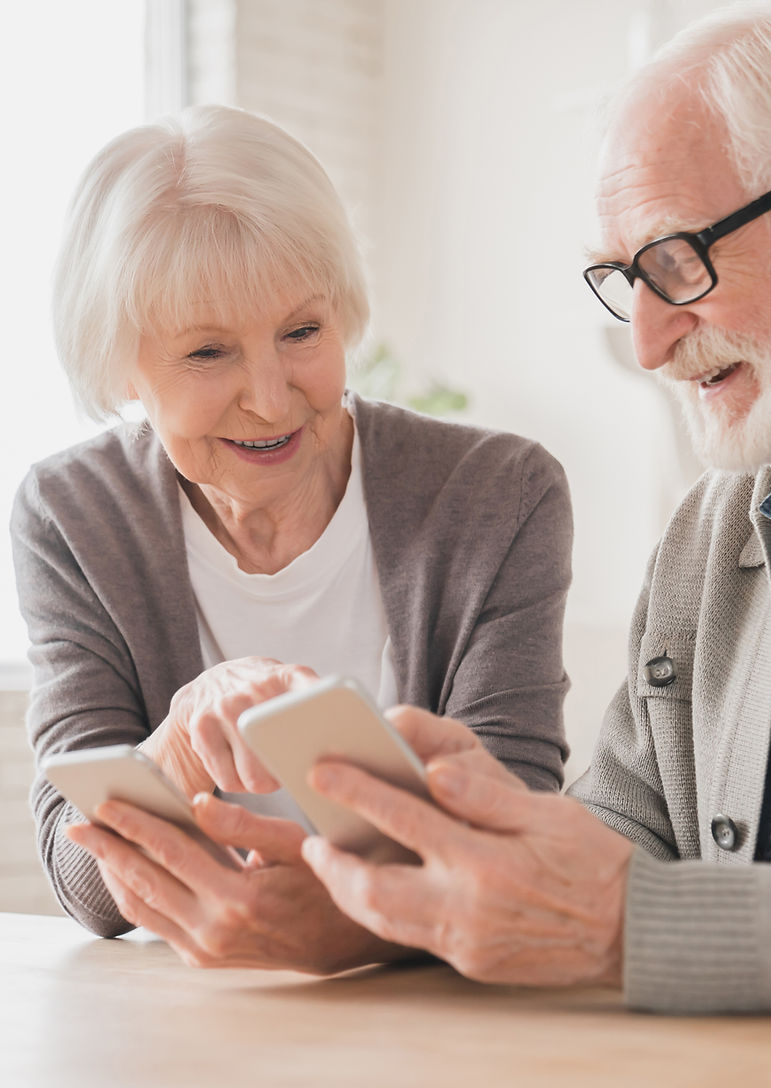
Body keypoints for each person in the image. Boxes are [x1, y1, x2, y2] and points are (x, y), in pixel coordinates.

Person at [297, 7, 771, 1013]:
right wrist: (449, 856)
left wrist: (636, 922)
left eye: (674, 262)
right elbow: (620, 835)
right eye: (628, 280)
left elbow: (626, 908)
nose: (649, 343)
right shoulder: (707, 531)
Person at [12, 104, 572, 972]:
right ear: (122, 366)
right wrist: (185, 735)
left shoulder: (497, 495)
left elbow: (518, 819)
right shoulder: (72, 513)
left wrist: (350, 926)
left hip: (439, 1014)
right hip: (188, 1021)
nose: (272, 400)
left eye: (302, 332)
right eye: (207, 353)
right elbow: (80, 879)